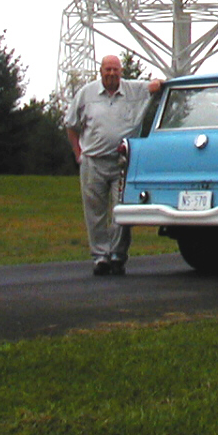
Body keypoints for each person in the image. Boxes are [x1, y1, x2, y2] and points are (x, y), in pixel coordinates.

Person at [65, 55, 163, 276]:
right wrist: (78, 153)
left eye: (115, 70)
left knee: (121, 211)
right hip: (93, 161)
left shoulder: (133, 90)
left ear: (121, 71)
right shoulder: (86, 94)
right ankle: (101, 257)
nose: (111, 73)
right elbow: (71, 125)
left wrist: (158, 84)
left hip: (122, 163)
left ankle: (118, 255)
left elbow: (154, 86)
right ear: (101, 71)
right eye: (107, 70)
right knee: (95, 212)